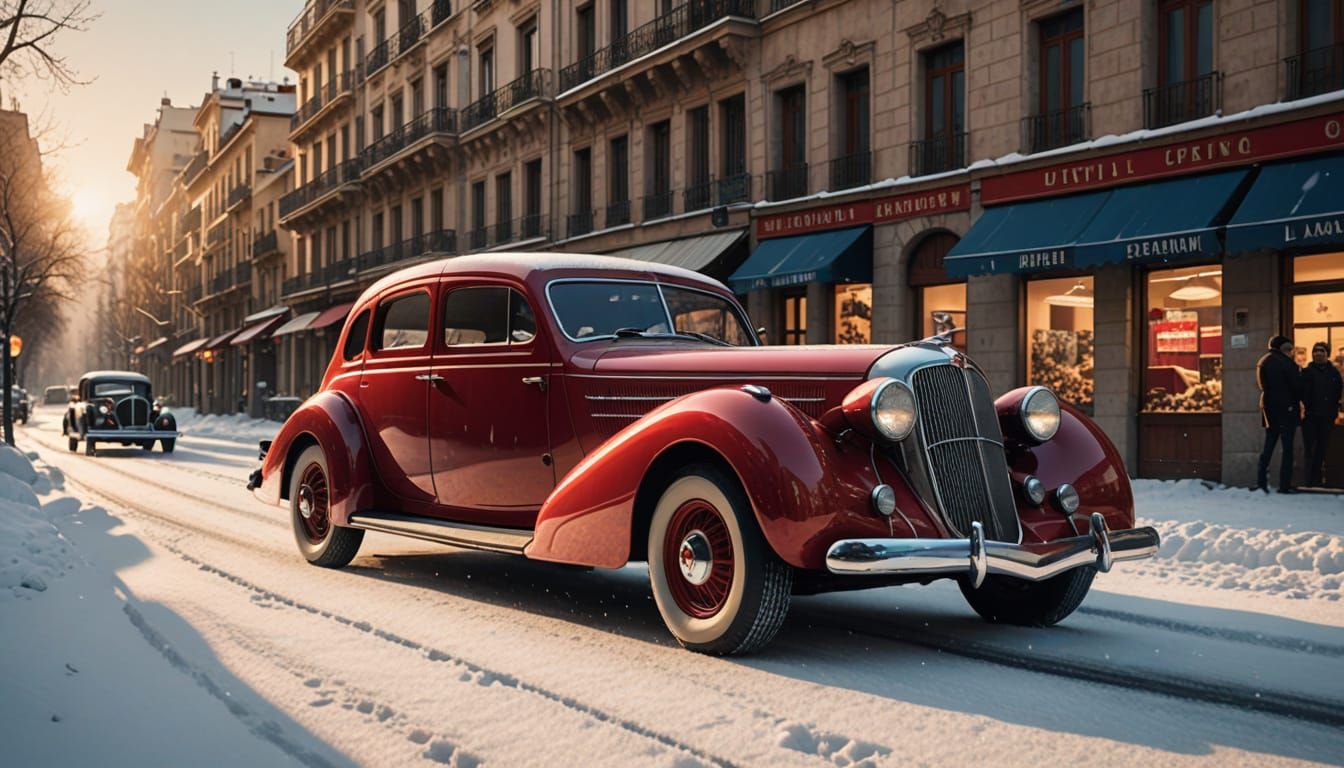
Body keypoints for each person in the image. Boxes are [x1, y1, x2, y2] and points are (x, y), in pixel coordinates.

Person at [1256, 334, 1301, 493]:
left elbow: (1263, 385)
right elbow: (1297, 388)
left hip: (1269, 407)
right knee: (1287, 449)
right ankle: (1284, 484)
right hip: (1286, 409)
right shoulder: (1288, 364)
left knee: (1269, 446)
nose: (1290, 352)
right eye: (1288, 349)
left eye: (1291, 349)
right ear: (1281, 349)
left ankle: (1261, 482)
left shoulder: (1263, 361)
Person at [1301, 341, 1343, 487]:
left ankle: (1321, 479)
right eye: (1315, 351)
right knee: (1310, 449)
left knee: (1323, 448)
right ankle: (1310, 480)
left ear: (1327, 354)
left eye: (1322, 351)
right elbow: (1302, 394)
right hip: (1310, 418)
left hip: (1327, 417)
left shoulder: (1334, 373)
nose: (1318, 353)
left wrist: (1335, 409)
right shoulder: (1307, 372)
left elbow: (1338, 392)